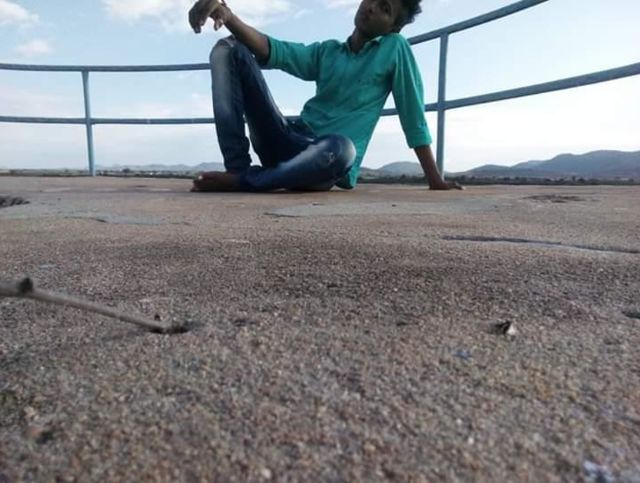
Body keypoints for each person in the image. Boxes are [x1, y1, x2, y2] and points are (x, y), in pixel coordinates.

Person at [188, 0, 462, 192]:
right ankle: (238, 169)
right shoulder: (328, 51)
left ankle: (246, 181)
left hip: (327, 159)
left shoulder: (394, 48)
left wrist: (434, 179)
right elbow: (276, 51)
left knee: (343, 149)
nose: (371, 7)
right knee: (228, 48)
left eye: (385, 8)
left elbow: (413, 115)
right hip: (287, 138)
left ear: (393, 28)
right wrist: (228, 16)